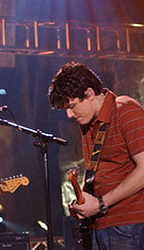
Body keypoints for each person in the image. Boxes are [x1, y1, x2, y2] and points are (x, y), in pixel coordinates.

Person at [48, 62, 144, 249]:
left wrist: (100, 204)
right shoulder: (90, 123)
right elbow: (97, 170)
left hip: (127, 226)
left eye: (72, 106)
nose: (69, 114)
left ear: (90, 94)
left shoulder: (126, 110)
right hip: (98, 225)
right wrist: (82, 200)